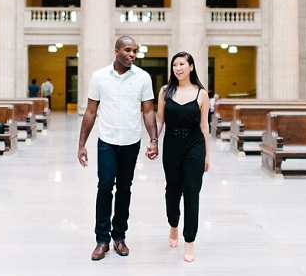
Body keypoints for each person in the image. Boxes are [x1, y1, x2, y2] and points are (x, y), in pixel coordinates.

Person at [77, 36, 158, 261]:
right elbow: (91, 112)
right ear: (116, 51)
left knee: (124, 188)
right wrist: (82, 144)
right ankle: (101, 240)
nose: (132, 54)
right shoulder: (99, 77)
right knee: (104, 187)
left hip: (131, 142)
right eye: (128, 50)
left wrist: (154, 139)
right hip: (107, 142)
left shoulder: (143, 77)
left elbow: (148, 111)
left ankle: (119, 237)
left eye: (135, 51)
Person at [153, 51, 210, 263]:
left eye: (182, 64)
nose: (178, 68)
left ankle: (189, 242)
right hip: (172, 147)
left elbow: (204, 126)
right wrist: (153, 142)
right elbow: (160, 120)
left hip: (195, 146)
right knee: (172, 191)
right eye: (175, 64)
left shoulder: (201, 94)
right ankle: (173, 225)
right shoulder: (165, 91)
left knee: (192, 193)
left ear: (191, 67)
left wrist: (207, 155)